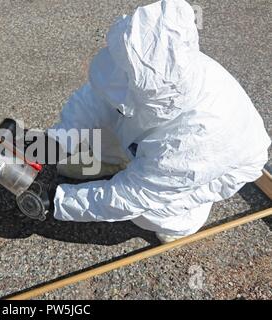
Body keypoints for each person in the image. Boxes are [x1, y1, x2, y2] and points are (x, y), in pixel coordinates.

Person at [47, 0, 270, 243]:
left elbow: (134, 195)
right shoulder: (151, 65)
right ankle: (115, 164)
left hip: (222, 164)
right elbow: (95, 99)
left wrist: (58, 202)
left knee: (149, 213)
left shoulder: (194, 140)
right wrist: (58, 141)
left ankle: (186, 219)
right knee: (112, 114)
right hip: (164, 131)